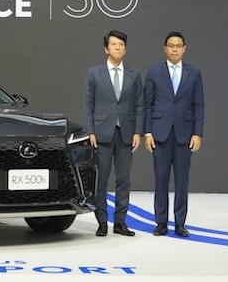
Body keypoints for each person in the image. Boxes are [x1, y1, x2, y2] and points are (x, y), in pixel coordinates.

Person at [144, 31, 205, 237]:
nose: (175, 49)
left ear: (184, 48)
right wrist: (147, 132)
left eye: (178, 46)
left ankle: (180, 223)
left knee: (182, 182)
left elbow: (199, 105)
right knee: (160, 181)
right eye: (171, 45)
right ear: (165, 48)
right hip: (160, 134)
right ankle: (161, 223)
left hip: (184, 135)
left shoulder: (194, 73)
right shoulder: (154, 72)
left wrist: (197, 133)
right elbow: (147, 104)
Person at [83, 30, 144, 237]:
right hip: (102, 133)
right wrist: (90, 131)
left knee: (124, 180)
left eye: (121, 44)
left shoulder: (134, 74)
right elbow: (88, 104)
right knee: (101, 181)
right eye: (114, 44)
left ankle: (120, 222)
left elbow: (139, 105)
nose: (117, 47)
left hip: (126, 133)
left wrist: (138, 132)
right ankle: (102, 222)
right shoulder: (94, 73)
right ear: (106, 49)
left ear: (125, 49)